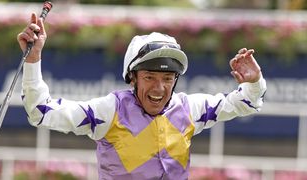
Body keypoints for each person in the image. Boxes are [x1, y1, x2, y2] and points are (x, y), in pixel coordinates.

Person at [18, 13, 267, 180]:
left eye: (168, 79)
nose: (159, 88)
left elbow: (246, 102)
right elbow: (40, 111)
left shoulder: (191, 108)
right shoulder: (109, 111)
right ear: (133, 78)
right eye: (149, 77)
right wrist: (32, 58)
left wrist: (254, 82)